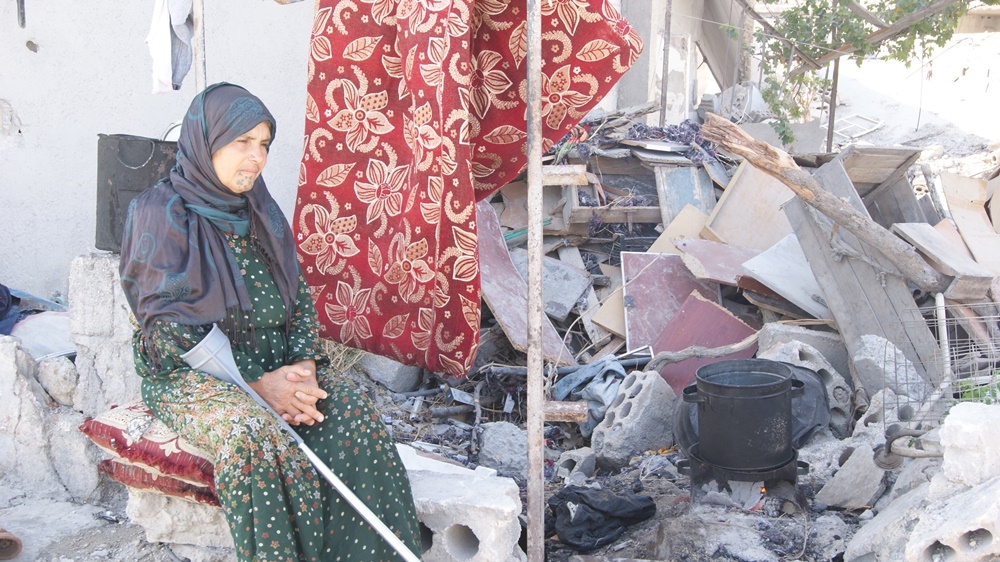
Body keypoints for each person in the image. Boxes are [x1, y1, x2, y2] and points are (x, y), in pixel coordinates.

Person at [119, 83, 422, 561]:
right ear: (207, 142)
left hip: (277, 364)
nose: (256, 158)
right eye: (242, 142)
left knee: (347, 408)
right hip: (197, 375)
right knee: (253, 439)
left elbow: (298, 296)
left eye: (263, 144)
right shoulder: (161, 213)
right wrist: (260, 387)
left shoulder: (260, 211)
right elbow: (170, 330)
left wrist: (301, 369)